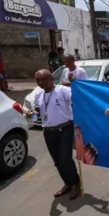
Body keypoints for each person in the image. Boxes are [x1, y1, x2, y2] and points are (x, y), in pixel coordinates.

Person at [26, 69, 80, 199]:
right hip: (48, 132)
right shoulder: (38, 95)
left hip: (65, 129)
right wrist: (30, 115)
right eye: (37, 80)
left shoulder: (63, 90)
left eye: (43, 79)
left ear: (51, 79)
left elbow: (78, 98)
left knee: (65, 159)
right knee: (57, 161)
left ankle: (75, 183)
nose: (40, 82)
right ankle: (67, 183)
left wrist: (76, 85)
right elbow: (38, 116)